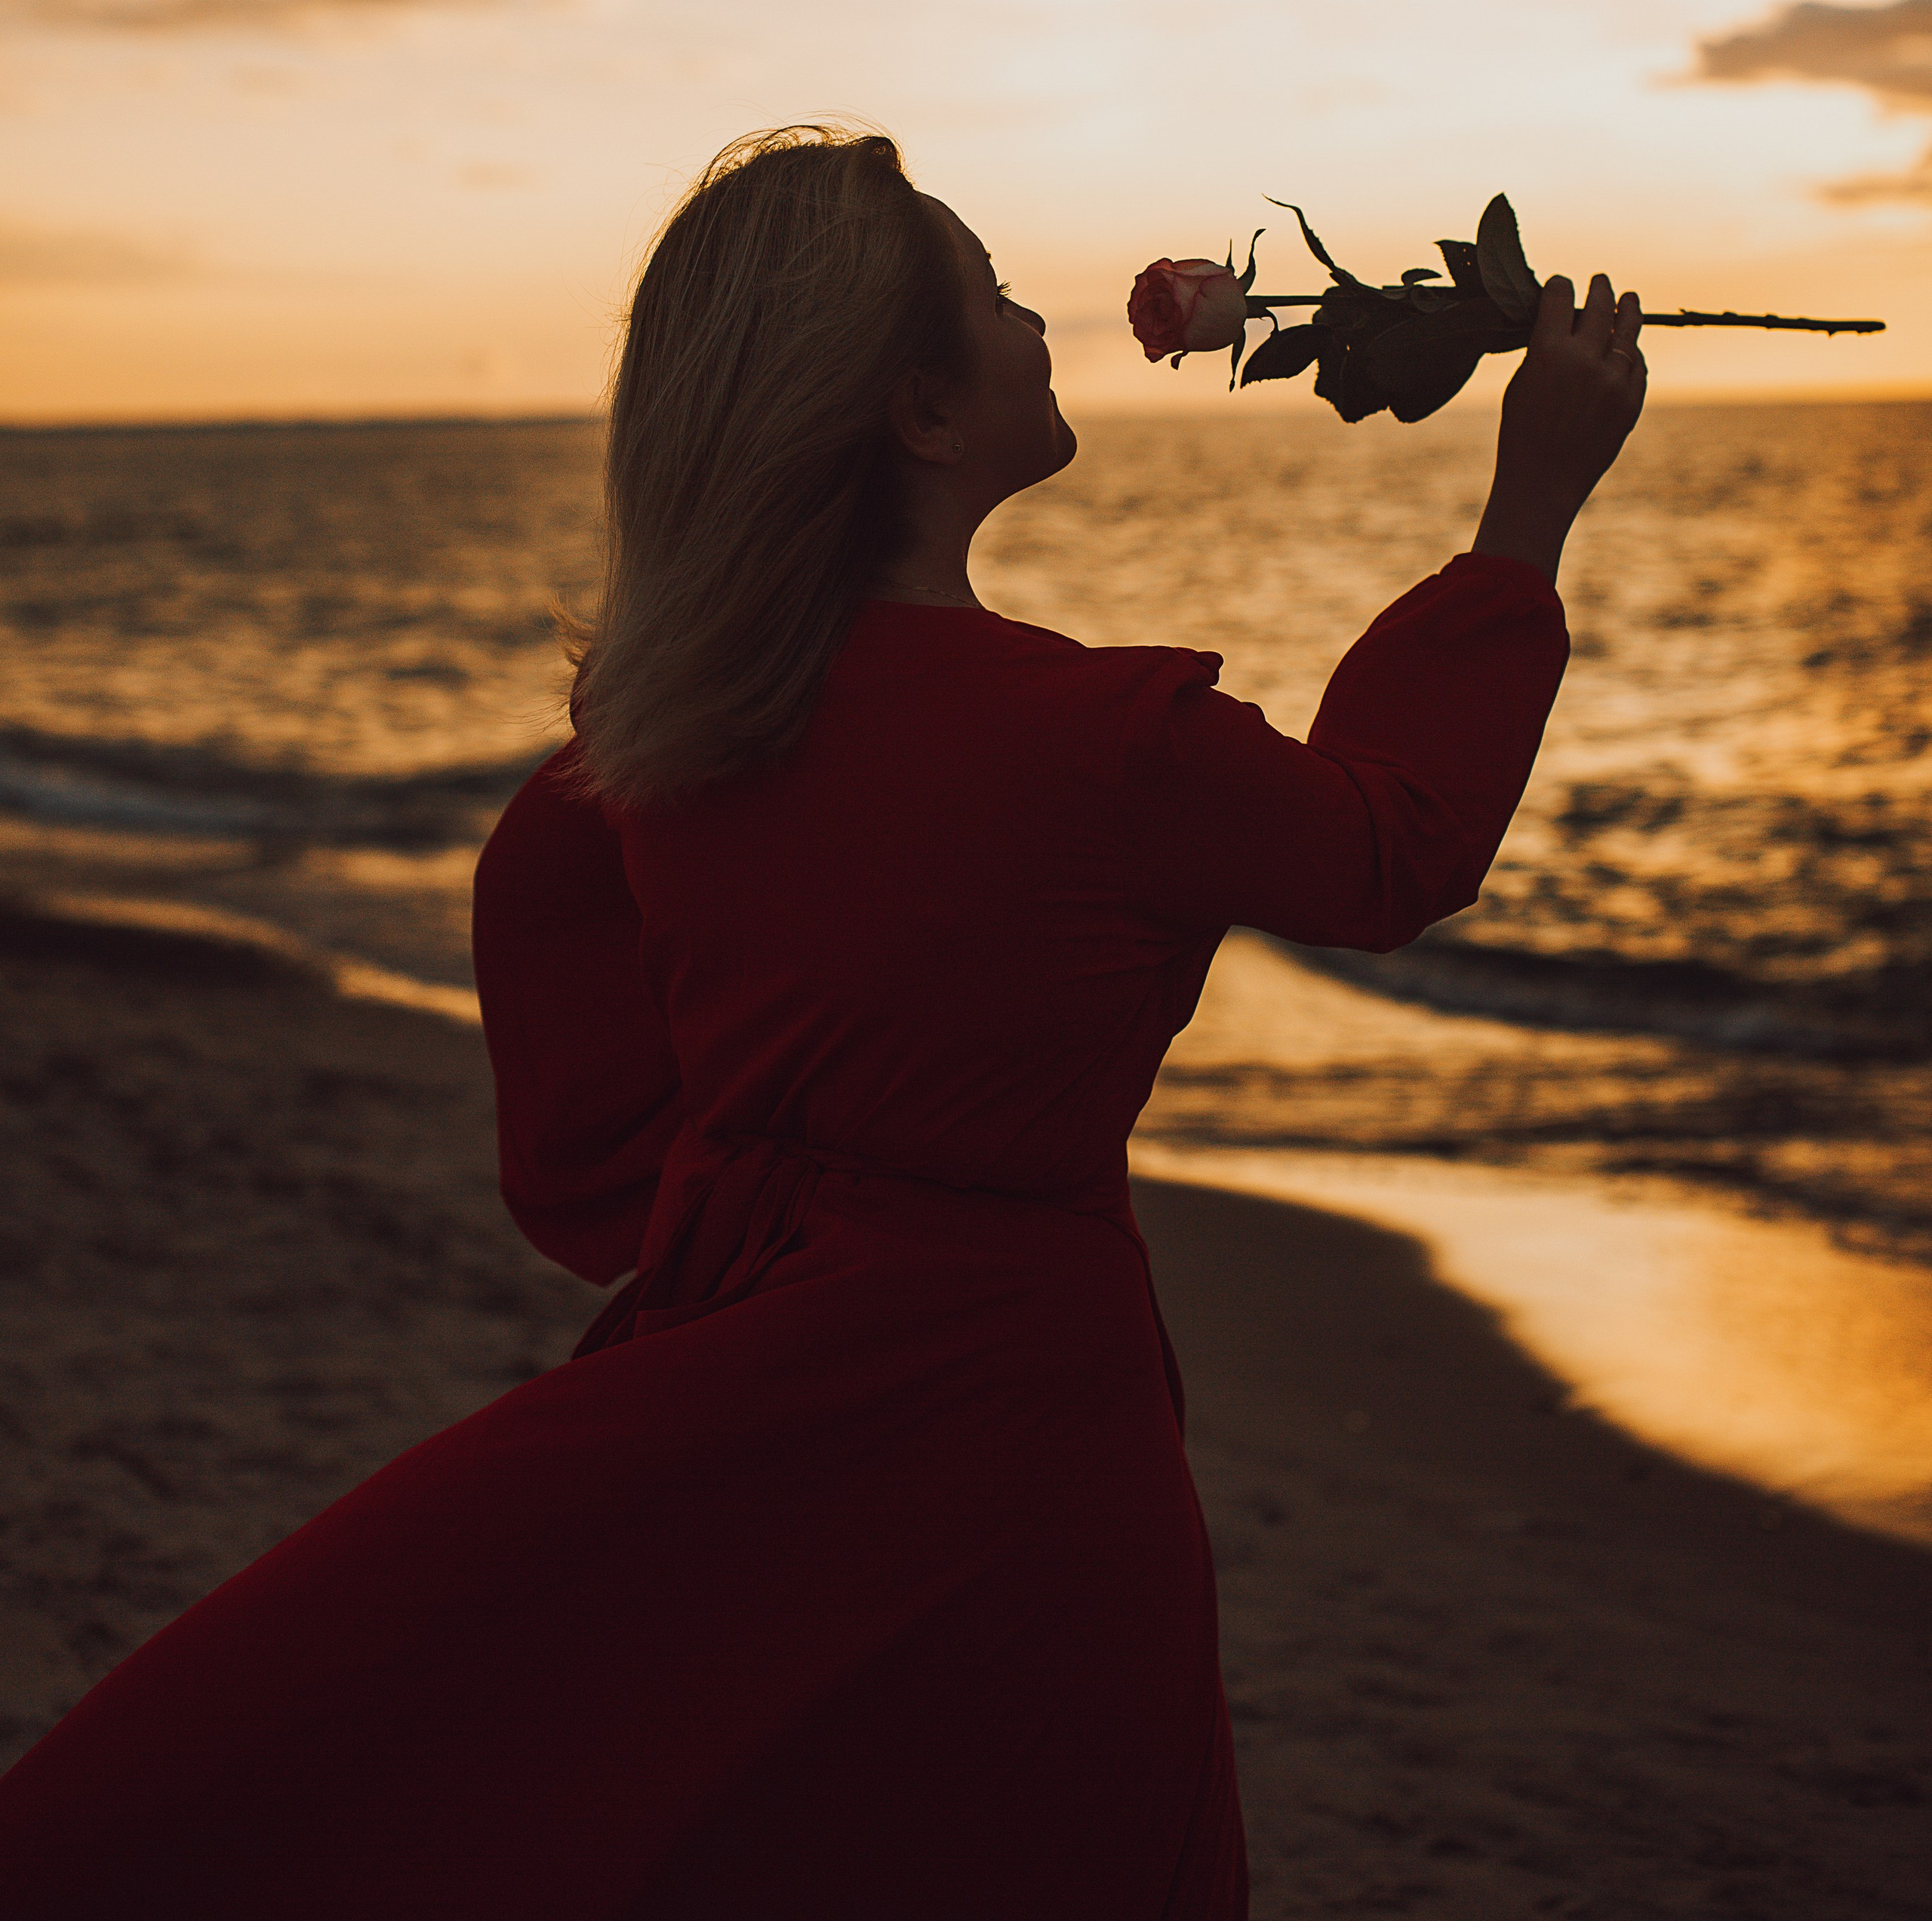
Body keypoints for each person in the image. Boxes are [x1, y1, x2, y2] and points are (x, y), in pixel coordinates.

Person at [0, 125, 1645, 1920]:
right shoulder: (1104, 745)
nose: (1039, 317)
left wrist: (729, 1192)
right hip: (1023, 1428)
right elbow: (1390, 842)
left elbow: (561, 1020)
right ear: (919, 418)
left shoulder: (664, 743)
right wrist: (1527, 508)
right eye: (996, 293)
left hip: (736, 1353)